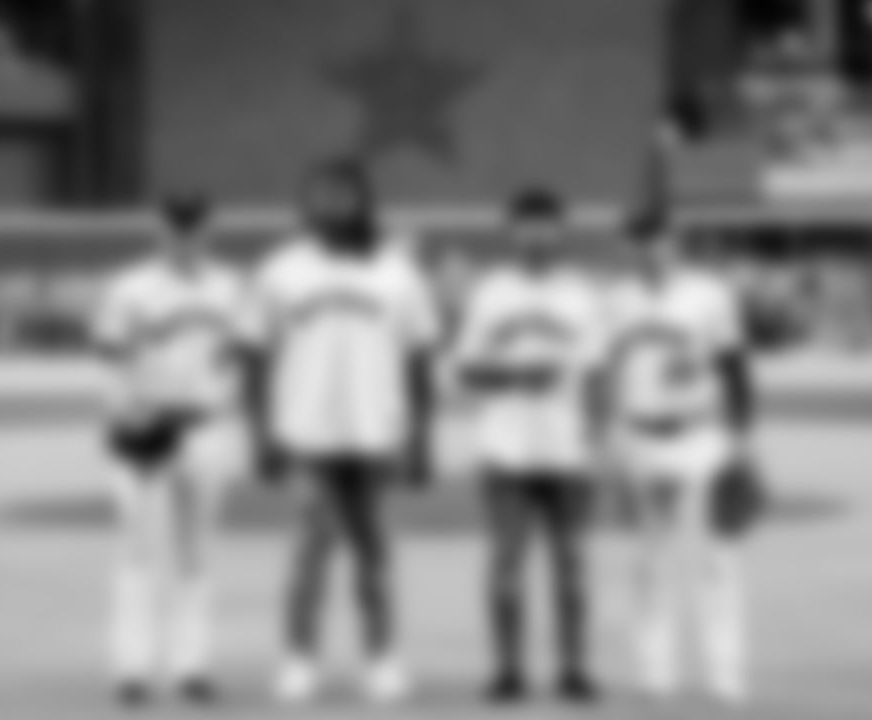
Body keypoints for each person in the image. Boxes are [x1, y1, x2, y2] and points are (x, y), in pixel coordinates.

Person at [251, 159, 439, 704]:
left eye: (343, 195)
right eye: (320, 196)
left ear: (364, 201)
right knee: (311, 548)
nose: (331, 206)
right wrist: (260, 431)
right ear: (305, 205)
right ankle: (298, 657)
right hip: (307, 431)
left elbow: (419, 358)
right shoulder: (282, 270)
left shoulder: (396, 271)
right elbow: (255, 355)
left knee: (375, 551)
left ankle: (382, 657)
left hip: (375, 429)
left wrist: (422, 436)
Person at [93, 194, 256, 706]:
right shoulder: (129, 289)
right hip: (144, 426)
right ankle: (132, 669)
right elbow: (109, 357)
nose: (184, 240)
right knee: (137, 549)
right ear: (158, 232)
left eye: (194, 231)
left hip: (207, 427)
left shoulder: (232, 288)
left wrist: (234, 411)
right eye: (174, 230)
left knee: (197, 552)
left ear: (209, 233)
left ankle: (193, 666)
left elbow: (247, 357)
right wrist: (123, 418)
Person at [600, 207, 766, 704]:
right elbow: (601, 372)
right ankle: (656, 670)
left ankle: (726, 670)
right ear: (629, 247)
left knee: (719, 558)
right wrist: (608, 440)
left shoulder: (709, 295)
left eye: (660, 240)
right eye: (641, 240)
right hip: (639, 437)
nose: (651, 249)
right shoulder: (613, 300)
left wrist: (742, 439)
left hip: (701, 436)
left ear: (676, 244)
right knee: (649, 560)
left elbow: (736, 367)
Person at [448, 188, 605, 703]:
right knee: (506, 562)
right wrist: (515, 374)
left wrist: (599, 440)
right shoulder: (490, 292)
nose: (536, 235)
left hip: (567, 447)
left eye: (546, 225)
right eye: (526, 225)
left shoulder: (583, 293)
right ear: (510, 232)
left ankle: (574, 668)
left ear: (562, 231)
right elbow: (465, 369)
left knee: (572, 563)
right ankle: (508, 669)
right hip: (506, 445)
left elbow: (599, 373)